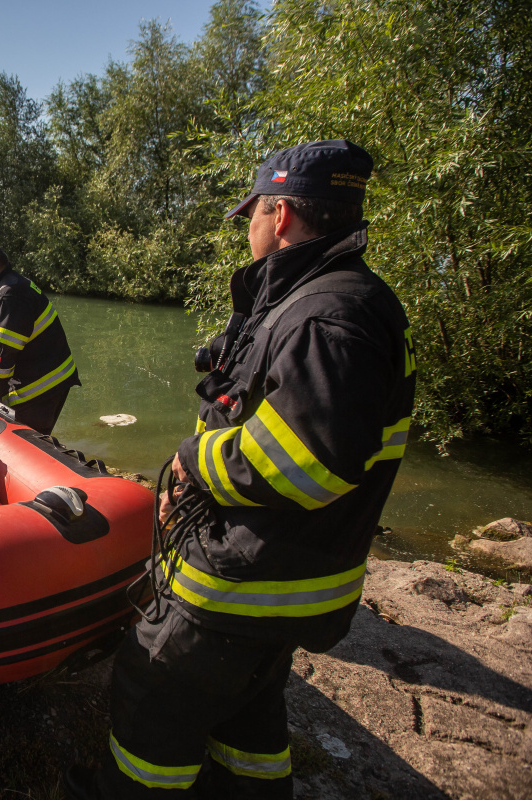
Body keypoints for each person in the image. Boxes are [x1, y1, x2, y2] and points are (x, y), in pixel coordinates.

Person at [64, 140, 417, 799]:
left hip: (244, 582)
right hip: (283, 580)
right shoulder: (331, 301)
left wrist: (191, 464)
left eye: (251, 214)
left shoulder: (326, 319)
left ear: (280, 215)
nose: (248, 228)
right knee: (246, 711)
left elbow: (308, 464)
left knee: (153, 689)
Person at [0, 236, 80, 436]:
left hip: (45, 385)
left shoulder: (11, 294)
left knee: (29, 441)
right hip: (33, 376)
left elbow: (5, 350)